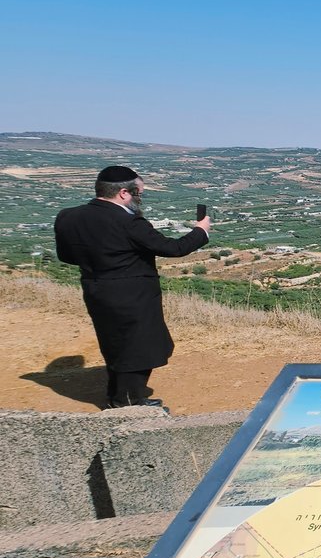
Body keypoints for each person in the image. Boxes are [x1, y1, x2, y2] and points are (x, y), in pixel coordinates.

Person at [53, 165, 212, 409]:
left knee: (114, 343)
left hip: (95, 290)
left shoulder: (68, 216)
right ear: (124, 193)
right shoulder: (129, 222)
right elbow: (174, 248)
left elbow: (66, 256)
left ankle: (117, 396)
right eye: (139, 194)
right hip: (133, 295)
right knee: (139, 347)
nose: (139, 199)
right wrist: (201, 231)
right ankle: (128, 403)